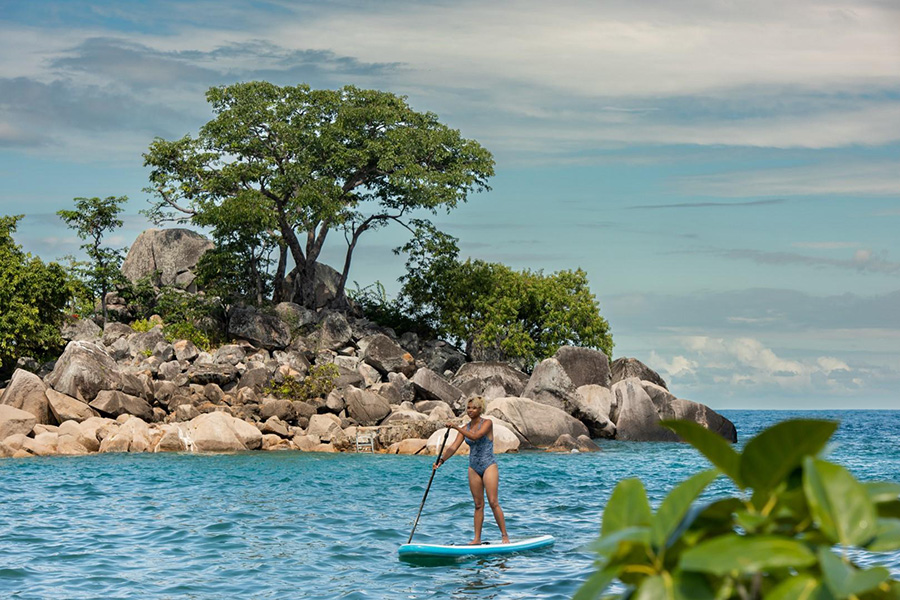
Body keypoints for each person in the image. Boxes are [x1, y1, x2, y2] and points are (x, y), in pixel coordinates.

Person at [433, 396, 510, 544]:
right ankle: (477, 539)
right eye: (468, 408)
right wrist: (441, 461)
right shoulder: (464, 428)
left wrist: (456, 427)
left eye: (474, 408)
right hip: (473, 467)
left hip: (489, 465)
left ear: (480, 409)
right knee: (478, 505)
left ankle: (505, 536)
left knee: (493, 502)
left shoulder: (487, 423)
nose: (470, 410)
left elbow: (476, 436)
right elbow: (453, 447)